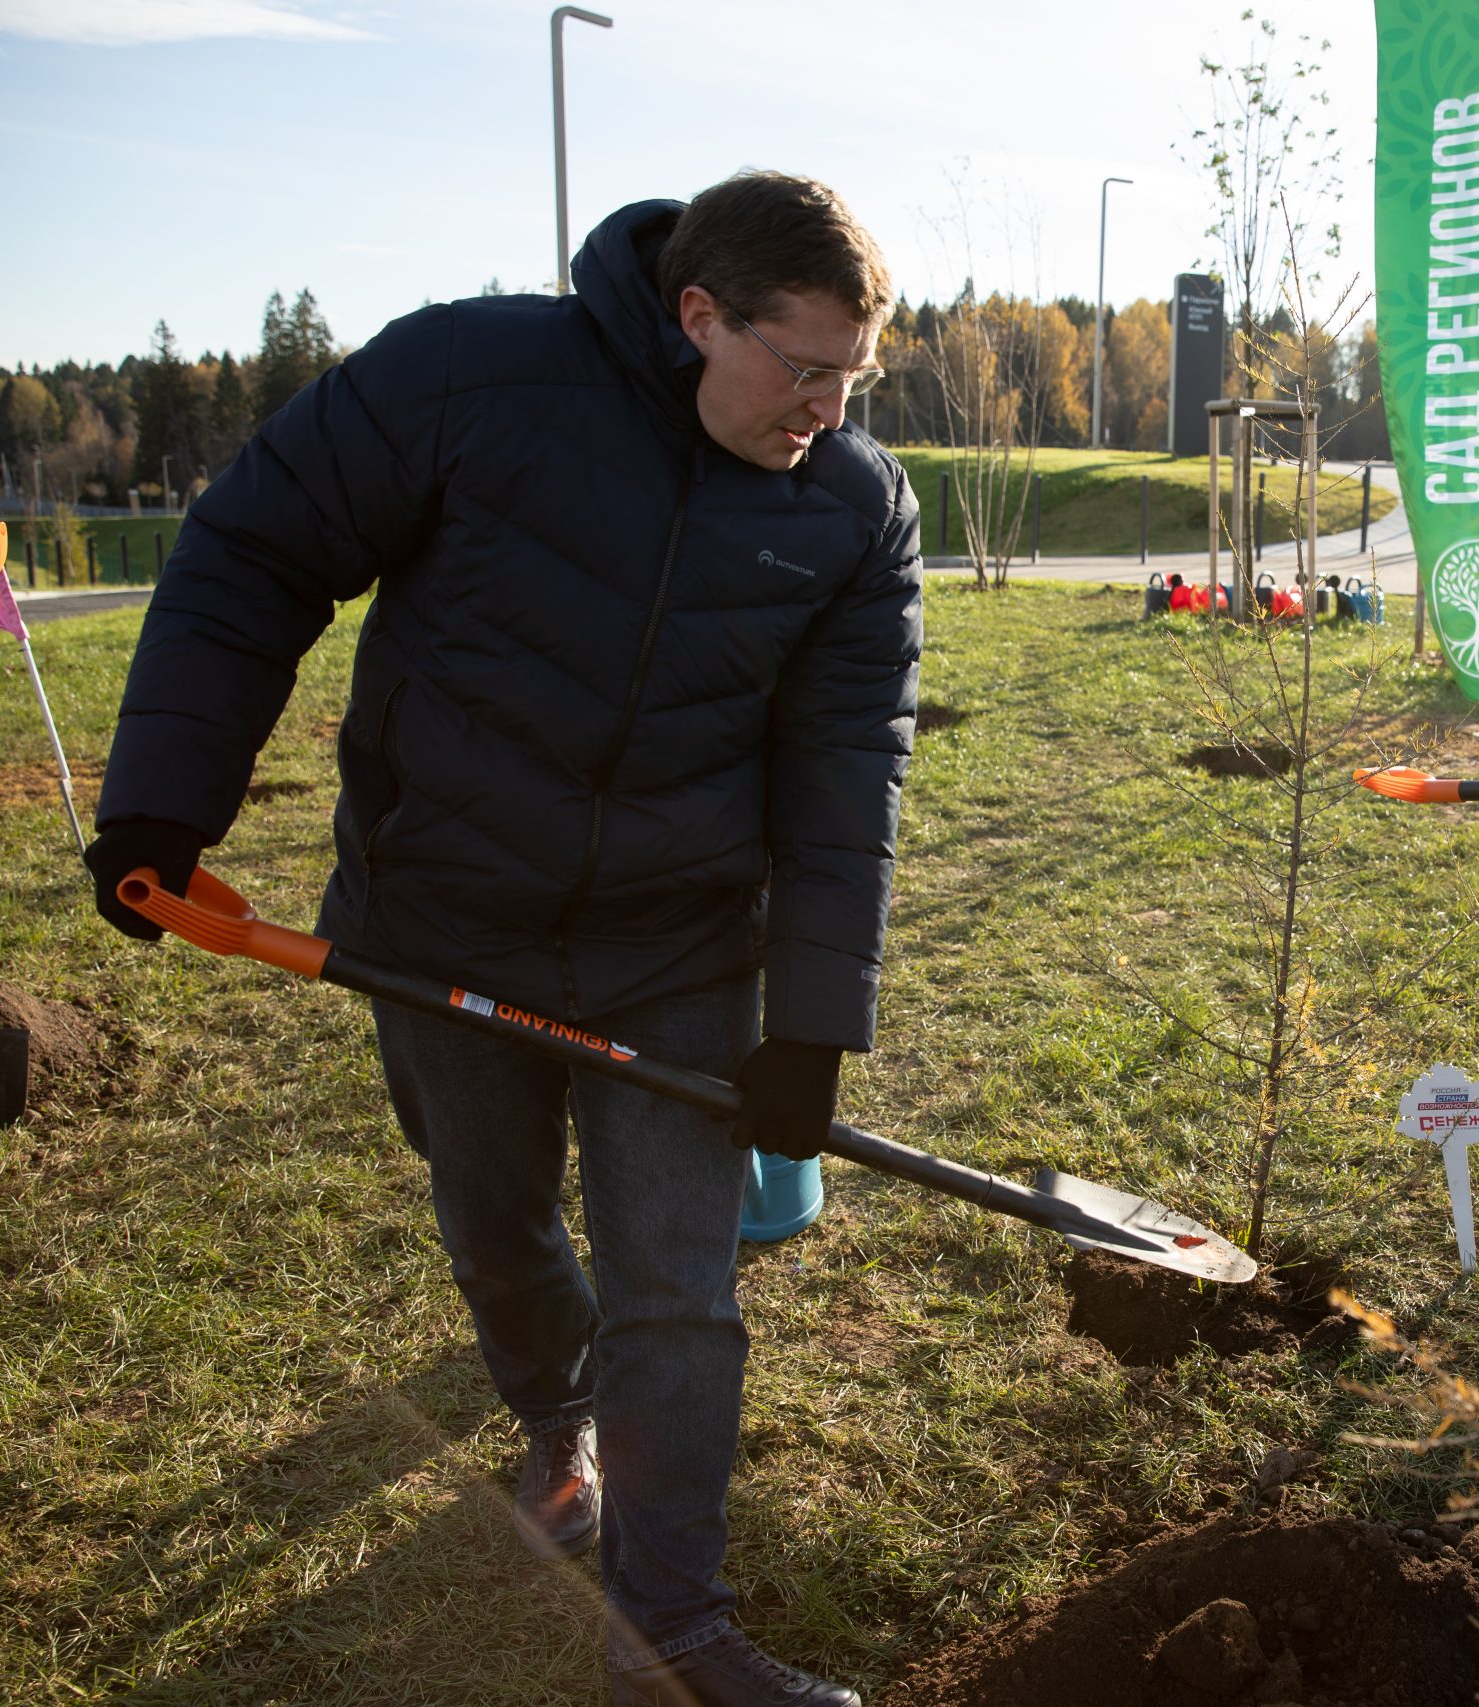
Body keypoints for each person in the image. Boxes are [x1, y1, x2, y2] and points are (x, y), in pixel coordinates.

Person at [82, 172, 916, 1707]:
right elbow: (257, 546)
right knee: (499, 1220)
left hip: (676, 944)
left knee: (681, 1284)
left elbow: (844, 769)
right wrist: (159, 805)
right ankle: (555, 1404)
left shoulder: (852, 505)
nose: (824, 407)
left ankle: (667, 1614)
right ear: (695, 314)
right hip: (440, 912)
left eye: (851, 378)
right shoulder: (471, 377)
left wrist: (808, 1021)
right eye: (799, 366)